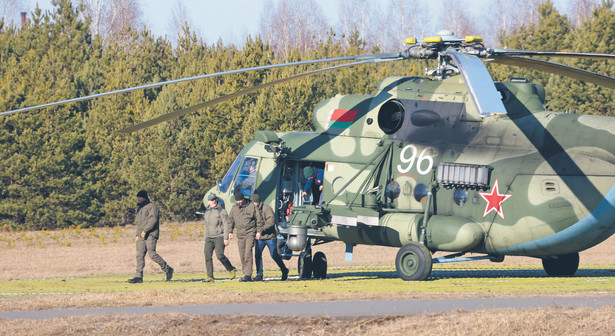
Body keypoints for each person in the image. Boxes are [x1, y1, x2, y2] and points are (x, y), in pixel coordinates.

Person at [128, 190, 173, 283]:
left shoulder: (152, 207)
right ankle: (138, 276)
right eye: (138, 197)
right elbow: (139, 224)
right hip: (141, 235)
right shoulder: (139, 208)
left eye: (140, 197)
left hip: (151, 234)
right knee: (139, 255)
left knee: (152, 254)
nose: (138, 198)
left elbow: (153, 220)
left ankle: (168, 269)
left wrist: (145, 231)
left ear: (144, 197)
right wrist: (137, 235)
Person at [251, 193, 289, 281]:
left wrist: (260, 230)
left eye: (253, 202)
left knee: (274, 255)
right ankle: (259, 274)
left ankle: (284, 270)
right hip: (259, 238)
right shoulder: (252, 210)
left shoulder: (267, 209)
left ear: (257, 202)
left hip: (269, 236)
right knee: (257, 255)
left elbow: (271, 221)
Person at [228, 190, 264, 282]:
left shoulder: (251, 206)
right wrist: (230, 231)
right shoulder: (234, 208)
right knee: (242, 255)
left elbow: (259, 220)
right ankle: (245, 273)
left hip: (250, 233)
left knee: (248, 253)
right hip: (240, 235)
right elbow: (230, 221)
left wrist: (259, 231)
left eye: (240, 200)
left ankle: (248, 275)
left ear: (243, 199)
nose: (239, 202)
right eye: (237, 201)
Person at [202, 193, 237, 282]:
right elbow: (206, 225)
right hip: (209, 237)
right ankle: (210, 276)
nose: (208, 202)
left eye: (209, 200)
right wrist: (205, 236)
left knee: (220, 255)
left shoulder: (221, 211)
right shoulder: (207, 211)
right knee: (207, 256)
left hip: (219, 236)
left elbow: (226, 224)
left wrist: (226, 238)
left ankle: (231, 269)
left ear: (214, 200)